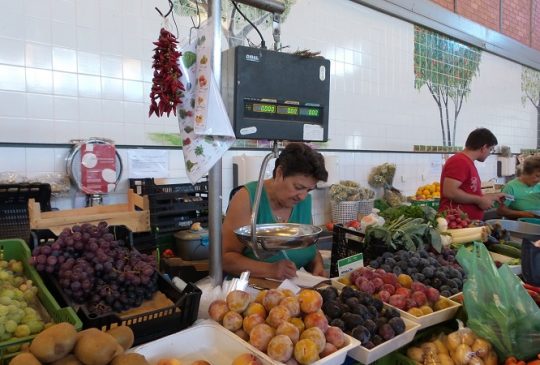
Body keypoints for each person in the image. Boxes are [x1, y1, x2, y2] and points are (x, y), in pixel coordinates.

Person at [222, 142, 328, 280]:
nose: (302, 196)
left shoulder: (304, 200)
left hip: (293, 293)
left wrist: (317, 265)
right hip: (251, 293)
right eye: (298, 187)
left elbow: (309, 248)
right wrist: (270, 270)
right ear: (279, 173)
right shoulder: (247, 198)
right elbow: (225, 259)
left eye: (308, 190)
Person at [439, 128, 506, 220]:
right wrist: (480, 200)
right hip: (456, 224)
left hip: (467, 224)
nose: (490, 153)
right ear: (484, 147)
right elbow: (450, 192)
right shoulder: (459, 161)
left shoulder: (467, 162)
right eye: (490, 149)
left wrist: (490, 197)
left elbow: (467, 192)